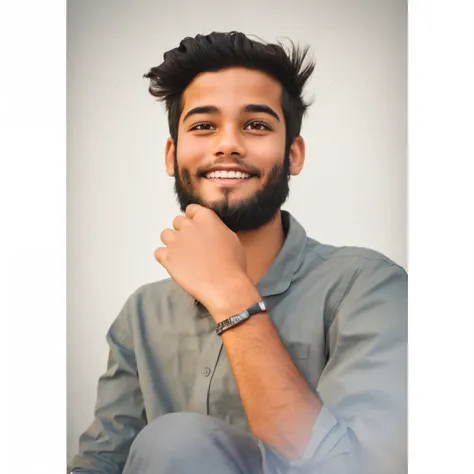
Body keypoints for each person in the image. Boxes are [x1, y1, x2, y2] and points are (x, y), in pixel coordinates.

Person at [71, 31, 407, 474]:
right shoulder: (141, 315)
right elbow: (99, 464)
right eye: (203, 125)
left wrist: (231, 293)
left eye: (256, 125)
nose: (227, 144)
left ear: (294, 155)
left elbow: (361, 467)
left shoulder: (370, 288)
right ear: (173, 155)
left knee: (177, 441)